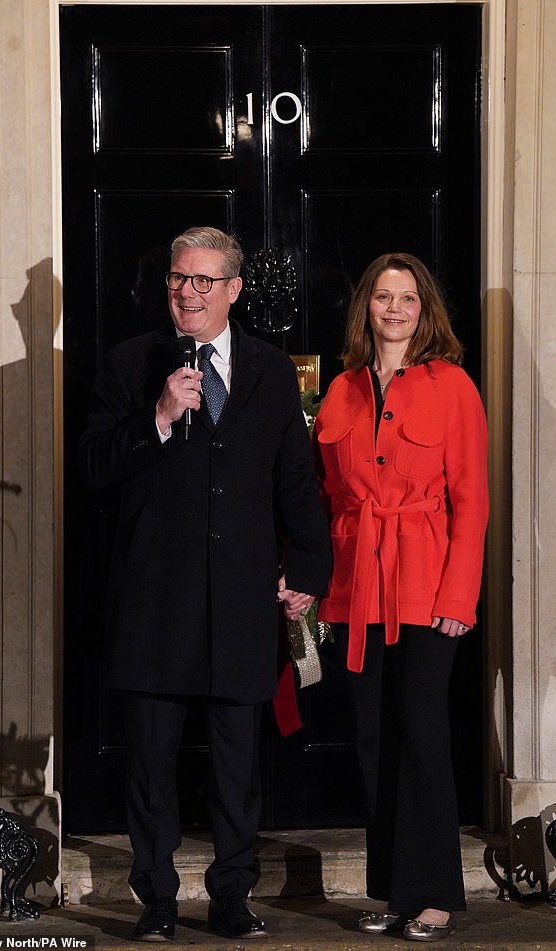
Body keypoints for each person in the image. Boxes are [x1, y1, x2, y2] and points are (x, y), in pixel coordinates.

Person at [78, 226, 331, 941]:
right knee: (151, 766)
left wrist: (308, 567)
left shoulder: (272, 372)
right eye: (176, 279)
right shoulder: (132, 364)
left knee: (235, 767)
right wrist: (157, 417)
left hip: (241, 600)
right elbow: (94, 464)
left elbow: (295, 481)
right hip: (155, 601)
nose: (186, 292)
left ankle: (231, 897)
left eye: (201, 281)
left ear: (233, 289)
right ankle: (156, 900)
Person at [314, 252, 489, 942]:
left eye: (407, 298)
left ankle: (436, 892)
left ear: (425, 309)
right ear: (366, 308)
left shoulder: (453, 387)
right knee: (372, 740)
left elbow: (471, 501)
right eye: (382, 297)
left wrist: (460, 594)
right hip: (358, 589)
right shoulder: (341, 390)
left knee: (421, 734)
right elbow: (330, 499)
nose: (393, 309)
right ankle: (393, 889)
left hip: (426, 587)